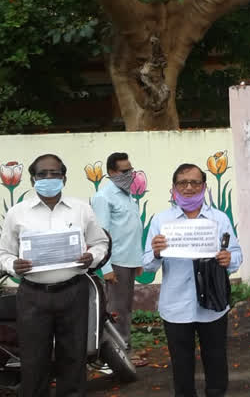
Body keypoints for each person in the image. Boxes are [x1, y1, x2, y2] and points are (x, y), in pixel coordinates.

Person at [0, 154, 109, 397]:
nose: (49, 178)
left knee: (73, 357)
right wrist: (12, 265)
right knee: (33, 360)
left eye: (54, 173)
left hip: (73, 291)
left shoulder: (81, 209)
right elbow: (3, 252)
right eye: (42, 174)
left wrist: (92, 256)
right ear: (32, 179)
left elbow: (100, 242)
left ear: (64, 178)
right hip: (32, 295)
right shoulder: (17, 213)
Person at [144, 163, 242, 397]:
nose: (189, 187)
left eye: (195, 182)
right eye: (182, 183)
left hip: (213, 305)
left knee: (216, 361)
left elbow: (237, 255)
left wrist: (229, 258)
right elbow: (147, 263)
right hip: (176, 306)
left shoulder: (219, 219)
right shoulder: (161, 221)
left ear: (204, 186)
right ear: (174, 188)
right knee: (181, 366)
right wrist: (156, 252)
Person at [91, 152, 145, 364]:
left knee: (125, 309)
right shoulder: (103, 197)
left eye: (131, 169)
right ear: (112, 172)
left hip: (129, 261)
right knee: (116, 310)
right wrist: (106, 269)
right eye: (125, 171)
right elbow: (101, 235)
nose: (130, 174)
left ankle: (125, 350)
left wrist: (138, 260)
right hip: (116, 263)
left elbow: (131, 230)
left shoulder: (127, 195)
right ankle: (115, 358)